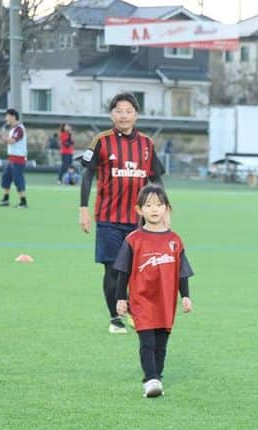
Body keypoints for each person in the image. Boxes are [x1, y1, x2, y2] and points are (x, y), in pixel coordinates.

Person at [79, 92, 165, 334]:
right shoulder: (101, 141)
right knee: (113, 269)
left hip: (139, 221)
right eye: (119, 111)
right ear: (112, 114)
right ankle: (116, 318)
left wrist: (163, 210)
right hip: (108, 219)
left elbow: (156, 177)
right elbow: (87, 175)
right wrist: (83, 210)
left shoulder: (147, 144)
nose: (123, 115)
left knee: (139, 272)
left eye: (128, 111)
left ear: (136, 115)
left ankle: (134, 311)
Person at [112, 185, 193, 398]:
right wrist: (121, 298)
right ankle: (150, 379)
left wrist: (185, 296)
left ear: (167, 208)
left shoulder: (174, 240)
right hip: (142, 300)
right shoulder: (133, 239)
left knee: (161, 344)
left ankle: (157, 374)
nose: (154, 209)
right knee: (147, 341)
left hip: (166, 301)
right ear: (139, 210)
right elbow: (123, 271)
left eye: (159, 204)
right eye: (148, 205)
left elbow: (181, 272)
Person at [0, 109, 28, 209]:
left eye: (7, 116)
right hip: (11, 159)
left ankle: (23, 202)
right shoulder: (13, 129)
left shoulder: (19, 129)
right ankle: (6, 199)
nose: (6, 119)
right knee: (6, 177)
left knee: (18, 180)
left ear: (13, 117)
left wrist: (1, 135)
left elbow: (12, 141)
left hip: (18, 159)